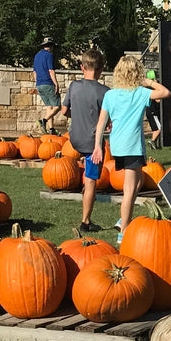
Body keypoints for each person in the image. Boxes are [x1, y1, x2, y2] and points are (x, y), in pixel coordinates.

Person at [95, 54, 169, 237]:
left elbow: (101, 123)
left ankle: (124, 218)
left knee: (137, 182)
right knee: (129, 190)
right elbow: (166, 92)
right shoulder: (140, 92)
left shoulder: (110, 95)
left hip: (118, 146)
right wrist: (148, 82)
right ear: (137, 73)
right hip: (132, 147)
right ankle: (124, 230)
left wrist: (98, 146)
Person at [62, 47, 108, 234]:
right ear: (102, 68)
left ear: (82, 67)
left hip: (74, 139)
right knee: (90, 181)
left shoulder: (73, 86)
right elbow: (108, 119)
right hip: (91, 144)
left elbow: (64, 111)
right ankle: (86, 221)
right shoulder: (105, 92)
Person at [34, 36, 62, 133]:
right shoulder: (49, 55)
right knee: (57, 106)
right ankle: (43, 121)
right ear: (50, 47)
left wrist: (37, 83)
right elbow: (51, 70)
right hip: (48, 83)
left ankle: (51, 129)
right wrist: (56, 84)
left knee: (49, 107)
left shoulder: (37, 56)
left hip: (39, 84)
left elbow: (34, 72)